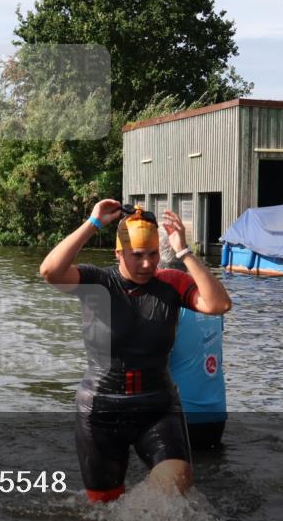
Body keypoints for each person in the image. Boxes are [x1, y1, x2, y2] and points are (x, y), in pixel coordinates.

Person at [39, 200, 231, 502]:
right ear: (119, 254)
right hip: (100, 410)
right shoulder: (98, 283)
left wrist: (183, 251)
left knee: (176, 488)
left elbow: (219, 304)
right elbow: (50, 271)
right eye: (137, 255)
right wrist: (94, 223)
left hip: (157, 407)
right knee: (105, 511)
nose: (147, 264)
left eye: (153, 254)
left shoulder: (171, 282)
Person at [159, 231, 227, 450]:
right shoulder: (210, 298)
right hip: (216, 412)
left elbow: (156, 366)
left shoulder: (166, 301)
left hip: (181, 416)